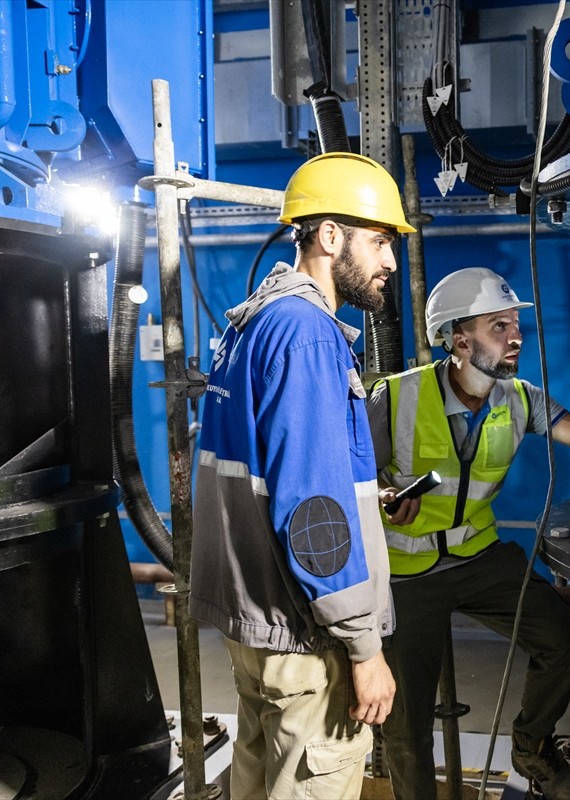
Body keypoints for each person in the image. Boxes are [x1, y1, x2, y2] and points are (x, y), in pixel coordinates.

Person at [190, 152, 415, 799]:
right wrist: (364, 649)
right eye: (380, 242)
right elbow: (311, 507)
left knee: (258, 784)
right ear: (330, 236)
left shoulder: (254, 324)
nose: (390, 263)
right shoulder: (309, 334)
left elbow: (281, 477)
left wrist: (373, 501)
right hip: (305, 636)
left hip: (257, 630)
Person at [366, 267, 570, 800]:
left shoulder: (520, 398)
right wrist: (383, 498)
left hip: (480, 558)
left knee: (564, 641)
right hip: (406, 573)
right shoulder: (396, 397)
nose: (514, 335)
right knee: (407, 724)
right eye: (498, 325)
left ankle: (530, 748)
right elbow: (346, 475)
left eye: (515, 324)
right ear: (457, 338)